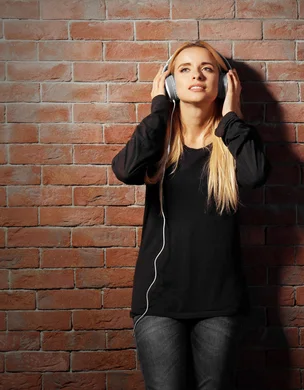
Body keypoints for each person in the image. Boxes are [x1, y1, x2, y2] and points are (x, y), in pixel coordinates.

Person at [111, 40, 270, 390]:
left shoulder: (234, 140)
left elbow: (255, 174)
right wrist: (156, 112)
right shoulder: (160, 141)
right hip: (158, 301)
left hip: (219, 302)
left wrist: (231, 117)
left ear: (224, 83)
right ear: (171, 84)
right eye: (184, 69)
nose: (196, 75)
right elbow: (124, 170)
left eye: (207, 68)